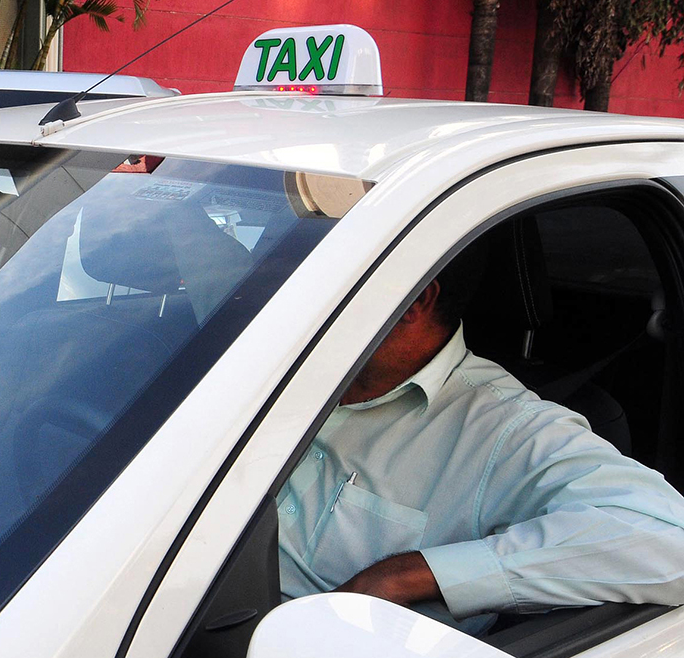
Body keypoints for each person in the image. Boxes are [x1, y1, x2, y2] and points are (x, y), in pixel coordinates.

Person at [277, 243, 684, 634]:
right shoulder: (265, 369)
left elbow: (668, 541)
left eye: (322, 276)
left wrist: (402, 575)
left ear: (413, 302)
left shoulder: (507, 430)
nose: (291, 294)